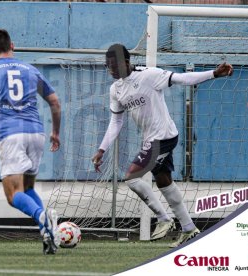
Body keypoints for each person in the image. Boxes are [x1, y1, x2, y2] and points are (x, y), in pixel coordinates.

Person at [92, 44, 233, 248]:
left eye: (114, 66)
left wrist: (213, 74)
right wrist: (101, 149)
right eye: (108, 67)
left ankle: (164, 219)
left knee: (131, 178)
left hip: (163, 137)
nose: (111, 71)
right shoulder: (115, 89)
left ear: (126, 62)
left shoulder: (149, 75)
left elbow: (181, 79)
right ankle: (189, 229)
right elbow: (116, 122)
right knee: (163, 181)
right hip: (152, 139)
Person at [0, 29, 61, 254]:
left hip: (10, 135)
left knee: (13, 195)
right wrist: (55, 133)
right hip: (36, 134)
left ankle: (42, 216)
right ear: (13, 45)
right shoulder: (31, 70)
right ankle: (47, 232)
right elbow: (55, 102)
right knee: (28, 187)